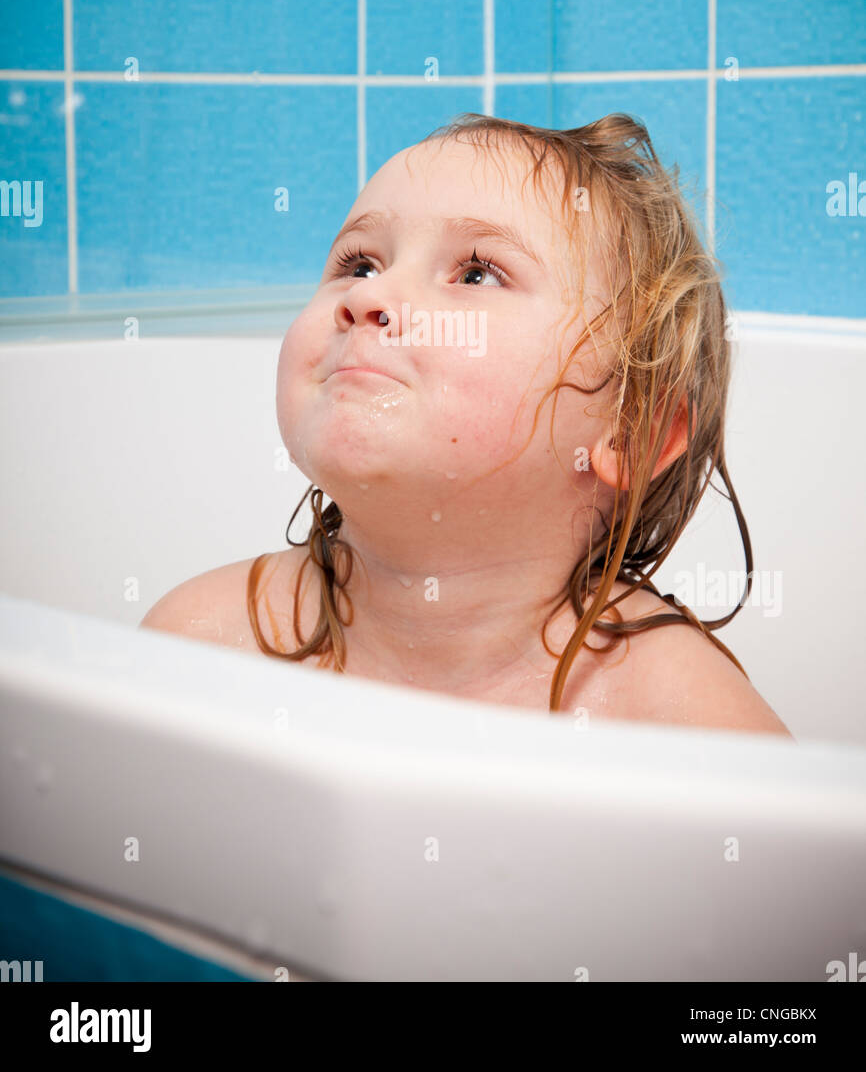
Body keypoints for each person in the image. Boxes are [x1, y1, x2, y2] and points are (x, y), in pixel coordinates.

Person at [141, 111, 793, 738]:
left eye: (477, 273)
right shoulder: (206, 643)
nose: (367, 297)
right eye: (359, 263)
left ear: (631, 431)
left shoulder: (673, 713)